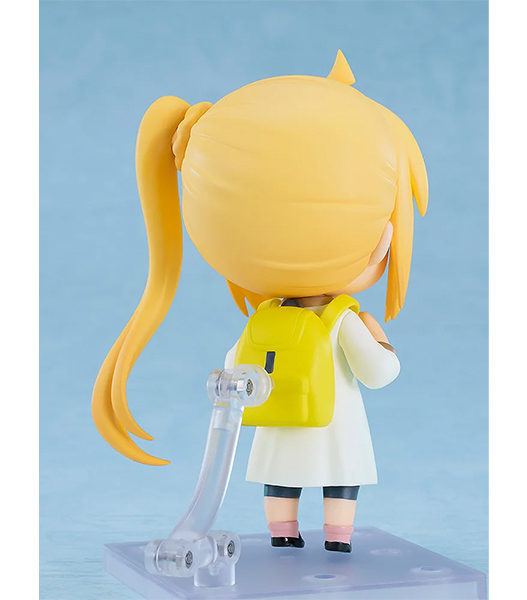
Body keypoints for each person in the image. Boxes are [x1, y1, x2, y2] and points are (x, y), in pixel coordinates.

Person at [92, 50, 428, 553]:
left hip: (276, 430)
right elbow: (379, 374)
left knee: (281, 481)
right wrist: (383, 342)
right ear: (382, 238)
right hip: (335, 432)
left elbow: (234, 369)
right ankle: (337, 539)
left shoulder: (263, 319)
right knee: (341, 482)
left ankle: (282, 533)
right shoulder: (345, 320)